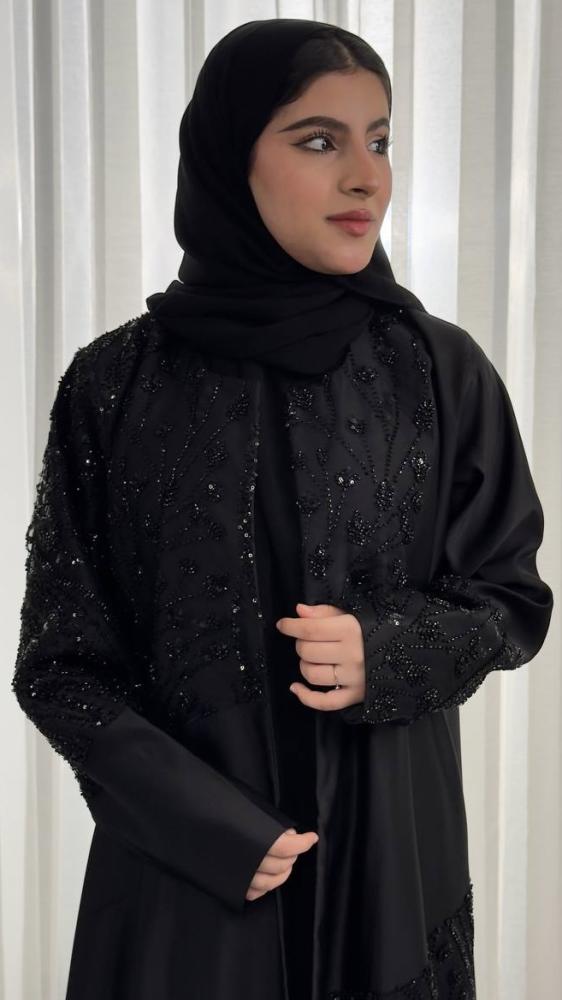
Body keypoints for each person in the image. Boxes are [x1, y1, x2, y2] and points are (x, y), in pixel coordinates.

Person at [11, 17, 553, 1000]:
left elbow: (510, 599)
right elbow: (61, 662)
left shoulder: (440, 370)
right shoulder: (113, 385)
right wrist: (202, 824)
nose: (366, 177)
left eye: (379, 140)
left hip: (389, 877)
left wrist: (386, 649)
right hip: (184, 892)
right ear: (231, 158)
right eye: (319, 140)